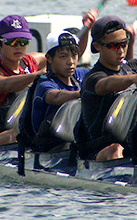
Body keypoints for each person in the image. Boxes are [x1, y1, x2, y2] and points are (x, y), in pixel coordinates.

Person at [75, 15, 137, 161]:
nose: (120, 50)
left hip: (129, 147)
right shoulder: (93, 79)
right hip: (99, 153)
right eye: (113, 46)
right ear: (97, 46)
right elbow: (106, 84)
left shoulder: (134, 67)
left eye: (124, 43)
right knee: (116, 149)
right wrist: (132, 79)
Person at [0, 15, 47, 146]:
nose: (18, 46)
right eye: (11, 41)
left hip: (24, 132)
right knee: (15, 134)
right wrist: (36, 76)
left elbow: (64, 58)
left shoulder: (30, 63)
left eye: (23, 41)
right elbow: (6, 84)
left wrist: (86, 29)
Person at [30, 11, 98, 152]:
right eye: (63, 56)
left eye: (74, 55)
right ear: (49, 58)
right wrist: (85, 92)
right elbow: (56, 96)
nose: (71, 62)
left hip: (73, 142)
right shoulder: (44, 84)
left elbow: (105, 76)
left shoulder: (80, 75)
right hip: (50, 148)